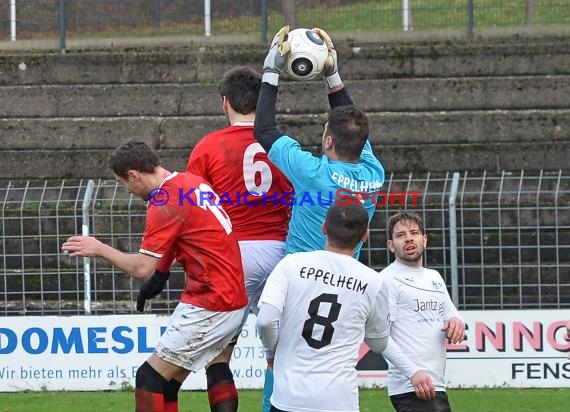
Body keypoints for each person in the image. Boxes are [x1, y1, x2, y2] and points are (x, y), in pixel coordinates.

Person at [136, 65, 293, 409]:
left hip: (235, 257)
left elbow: (186, 212)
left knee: (219, 356)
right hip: (283, 253)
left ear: (225, 103)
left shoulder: (208, 147)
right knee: (285, 351)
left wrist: (160, 272)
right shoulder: (282, 145)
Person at [62, 138, 248, 412]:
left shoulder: (164, 201)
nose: (126, 190)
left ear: (134, 175)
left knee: (149, 378)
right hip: (231, 295)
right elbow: (187, 237)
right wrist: (160, 276)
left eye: (123, 183)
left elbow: (141, 268)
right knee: (173, 380)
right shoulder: (191, 182)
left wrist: (99, 248)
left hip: (213, 301)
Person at [254, 26, 386, 410]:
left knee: (279, 373)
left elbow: (264, 129)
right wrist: (332, 75)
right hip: (348, 287)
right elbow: (351, 125)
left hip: (298, 282)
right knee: (335, 367)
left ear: (327, 141)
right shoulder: (373, 175)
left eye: (325, 131)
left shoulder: (312, 172)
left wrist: (271, 70)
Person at [256, 203, 391, 412]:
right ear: (365, 235)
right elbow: (379, 343)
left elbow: (266, 320)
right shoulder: (373, 281)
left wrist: (270, 353)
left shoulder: (291, 264)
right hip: (338, 401)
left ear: (324, 228)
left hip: (288, 399)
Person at [379, 211, 465, 412]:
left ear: (424, 240)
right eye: (400, 235)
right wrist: (413, 373)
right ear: (391, 245)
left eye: (414, 232)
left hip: (436, 384)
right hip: (410, 386)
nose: (409, 238)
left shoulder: (433, 276)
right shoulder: (387, 280)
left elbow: (452, 314)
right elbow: (380, 337)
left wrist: (456, 321)